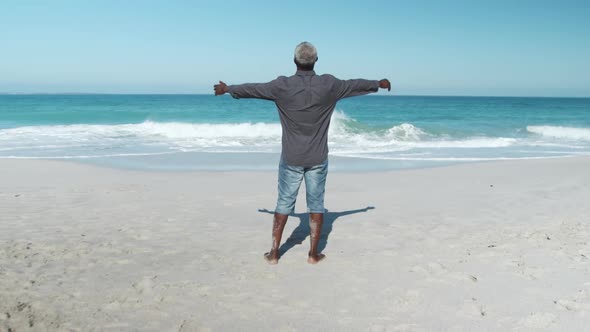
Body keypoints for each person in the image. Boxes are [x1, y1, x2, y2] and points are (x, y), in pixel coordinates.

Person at [214, 41, 391, 264]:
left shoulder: (282, 86)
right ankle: (313, 255)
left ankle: (274, 253)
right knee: (316, 203)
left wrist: (228, 89)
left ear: (294, 60)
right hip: (317, 157)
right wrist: (378, 83)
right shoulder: (330, 85)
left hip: (292, 157)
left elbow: (253, 89)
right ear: (316, 60)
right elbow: (355, 84)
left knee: (284, 202)